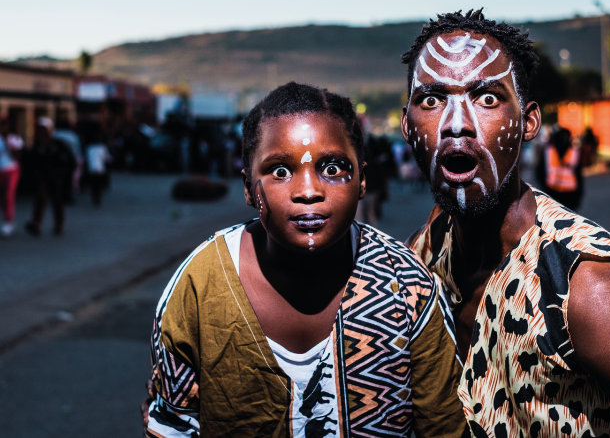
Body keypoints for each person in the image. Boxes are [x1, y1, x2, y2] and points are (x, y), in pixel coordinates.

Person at [401, 10, 610, 438]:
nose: (456, 123)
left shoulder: (583, 285)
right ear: (407, 125)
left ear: (528, 123)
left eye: (487, 98)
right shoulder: (422, 255)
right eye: (432, 99)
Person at [143, 83, 467, 438]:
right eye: (280, 171)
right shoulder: (198, 286)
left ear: (362, 180)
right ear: (249, 188)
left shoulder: (408, 286)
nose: (309, 191)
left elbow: (443, 427)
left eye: (332, 168)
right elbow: (172, 426)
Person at [25, 117, 75, 236]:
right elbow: (32, 160)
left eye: (44, 129)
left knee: (57, 200)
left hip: (56, 176)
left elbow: (70, 160)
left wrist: (63, 173)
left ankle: (59, 224)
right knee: (40, 199)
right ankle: (36, 223)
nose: (42, 132)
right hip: (42, 176)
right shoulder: (38, 145)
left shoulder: (58, 144)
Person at [536, 125, 583, 210]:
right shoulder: (548, 151)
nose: (565, 139)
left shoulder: (574, 152)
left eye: (567, 137)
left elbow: (578, 174)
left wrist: (579, 194)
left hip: (570, 194)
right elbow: (540, 171)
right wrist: (544, 188)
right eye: (563, 137)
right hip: (552, 191)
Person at [0, 117, 23, 238]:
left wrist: (8, 144)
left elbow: (18, 156)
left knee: (8, 195)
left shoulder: (15, 139)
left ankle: (8, 221)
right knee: (2, 197)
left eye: (5, 125)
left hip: (11, 170)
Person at [84, 132, 112, 206]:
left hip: (91, 170)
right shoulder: (102, 147)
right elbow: (107, 158)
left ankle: (94, 199)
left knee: (93, 186)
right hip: (100, 170)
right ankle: (98, 199)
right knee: (99, 186)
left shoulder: (89, 148)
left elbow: (86, 159)